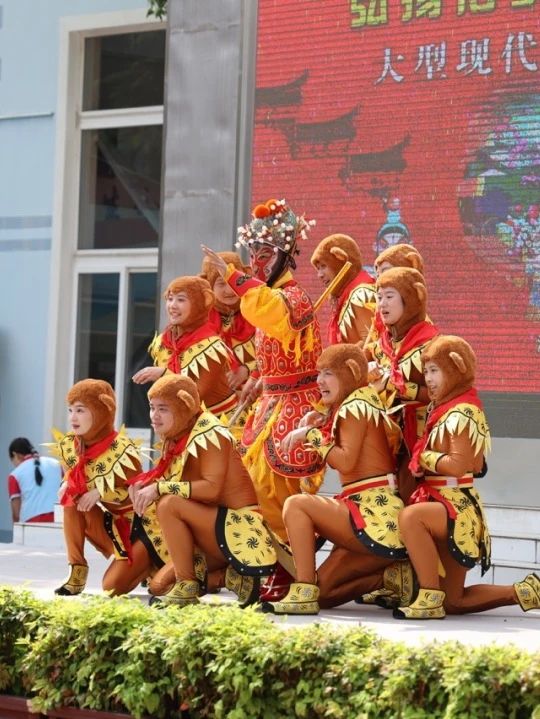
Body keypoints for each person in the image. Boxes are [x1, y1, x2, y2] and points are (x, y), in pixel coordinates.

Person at [202, 197, 325, 601]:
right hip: (270, 403)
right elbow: (275, 345)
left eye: (265, 253)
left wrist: (233, 276)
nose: (257, 261)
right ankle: (265, 568)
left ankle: (290, 575)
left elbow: (267, 312)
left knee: (277, 492)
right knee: (252, 489)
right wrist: (259, 377)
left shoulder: (293, 297)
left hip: (295, 406)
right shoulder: (272, 294)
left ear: (286, 255)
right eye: (253, 252)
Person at [395, 335, 540, 619]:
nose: (428, 379)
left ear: (456, 369)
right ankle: (527, 591)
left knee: (411, 517)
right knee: (455, 602)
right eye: (426, 371)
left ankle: (428, 597)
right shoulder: (444, 409)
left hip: (455, 506)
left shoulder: (464, 411)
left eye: (434, 371)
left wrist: (423, 457)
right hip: (441, 501)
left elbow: (457, 465)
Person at [260, 344, 411, 615]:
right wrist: (320, 421)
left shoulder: (355, 406)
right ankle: (392, 577)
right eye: (319, 373)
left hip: (372, 516)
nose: (319, 381)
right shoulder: (359, 401)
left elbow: (345, 461)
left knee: (297, 504)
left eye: (328, 373)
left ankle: (303, 588)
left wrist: (310, 435)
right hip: (375, 519)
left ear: (350, 372)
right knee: (325, 595)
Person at [129, 373, 276, 607]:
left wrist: (160, 487)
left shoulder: (210, 433)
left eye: (163, 409)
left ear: (185, 405)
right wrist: (146, 486)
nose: (154, 416)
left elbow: (211, 490)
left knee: (168, 503)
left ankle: (188, 583)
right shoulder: (177, 434)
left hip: (238, 528)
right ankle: (226, 577)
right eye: (152, 408)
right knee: (158, 586)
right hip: (208, 529)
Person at [50, 379, 168, 596]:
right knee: (70, 500)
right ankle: (77, 569)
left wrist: (100, 491)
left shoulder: (123, 451)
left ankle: (149, 566)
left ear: (102, 410)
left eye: (80, 410)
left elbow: (136, 492)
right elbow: (73, 477)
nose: (72, 418)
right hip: (114, 526)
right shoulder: (71, 446)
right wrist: (66, 483)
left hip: (143, 529)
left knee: (110, 587)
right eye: (70, 410)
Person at [368, 267, 439, 503]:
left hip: (421, 439)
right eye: (379, 297)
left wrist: (400, 387)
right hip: (387, 438)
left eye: (389, 296)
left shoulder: (431, 344)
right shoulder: (381, 345)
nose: (382, 304)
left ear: (410, 299)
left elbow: (443, 395)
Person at [132, 275, 238, 419]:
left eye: (181, 300)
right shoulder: (164, 341)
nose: (172, 305)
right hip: (181, 422)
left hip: (220, 423)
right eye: (170, 299)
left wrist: (164, 374)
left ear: (201, 304)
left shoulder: (212, 347)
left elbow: (195, 395)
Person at [200, 251, 257, 394]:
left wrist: (248, 369)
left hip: (254, 398)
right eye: (221, 283)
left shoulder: (258, 313)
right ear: (209, 286)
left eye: (233, 281)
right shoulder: (198, 320)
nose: (229, 290)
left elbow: (276, 356)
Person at [310, 233, 376, 345]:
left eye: (323, 266)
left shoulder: (361, 296)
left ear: (340, 262)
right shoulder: (347, 297)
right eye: (318, 269)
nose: (319, 275)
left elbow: (371, 347)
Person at [7, 438, 62, 523]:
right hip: (60, 519)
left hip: (32, 523)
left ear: (15, 454)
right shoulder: (57, 464)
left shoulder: (14, 475)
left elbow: (16, 514)